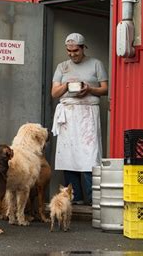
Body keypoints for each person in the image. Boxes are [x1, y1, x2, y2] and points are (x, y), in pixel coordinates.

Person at [51, 33, 108, 205]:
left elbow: (105, 89)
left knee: (90, 155)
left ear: (83, 48)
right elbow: (54, 93)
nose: (72, 54)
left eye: (75, 50)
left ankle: (93, 198)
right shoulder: (62, 67)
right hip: (68, 113)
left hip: (87, 113)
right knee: (69, 155)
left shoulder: (96, 64)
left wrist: (89, 88)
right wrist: (67, 85)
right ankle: (75, 197)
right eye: (69, 51)